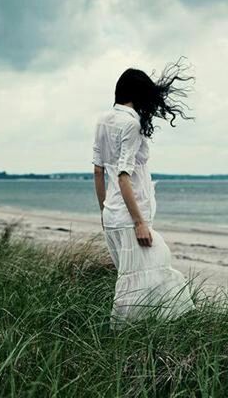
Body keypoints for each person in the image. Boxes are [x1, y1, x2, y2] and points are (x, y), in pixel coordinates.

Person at [92, 58, 196, 327]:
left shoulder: (103, 120)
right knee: (150, 275)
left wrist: (104, 212)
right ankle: (124, 335)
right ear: (138, 96)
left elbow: (98, 172)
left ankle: (143, 335)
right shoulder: (131, 124)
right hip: (129, 219)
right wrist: (139, 222)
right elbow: (123, 176)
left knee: (136, 279)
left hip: (113, 217)